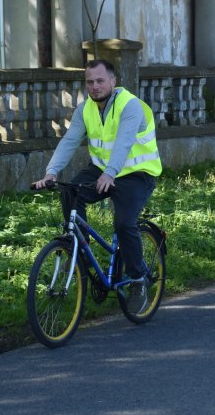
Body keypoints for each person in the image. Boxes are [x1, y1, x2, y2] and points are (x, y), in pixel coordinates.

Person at [32, 59, 162, 312]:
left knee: (124, 223)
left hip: (137, 173)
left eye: (100, 80)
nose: (94, 86)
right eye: (89, 82)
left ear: (113, 81)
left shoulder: (130, 106)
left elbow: (124, 142)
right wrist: (51, 172)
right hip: (103, 170)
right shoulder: (85, 109)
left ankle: (137, 281)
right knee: (70, 192)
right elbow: (69, 141)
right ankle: (81, 250)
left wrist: (111, 173)